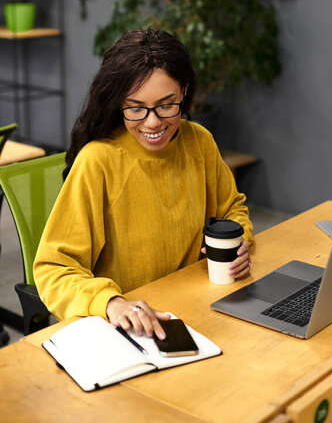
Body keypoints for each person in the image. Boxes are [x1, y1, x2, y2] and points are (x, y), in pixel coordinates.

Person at [34, 28, 253, 340]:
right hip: (126, 331)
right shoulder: (98, 161)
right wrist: (112, 304)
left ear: (184, 93)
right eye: (135, 108)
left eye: (167, 105)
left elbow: (232, 209)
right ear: (117, 102)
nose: (153, 123)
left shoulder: (199, 142)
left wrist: (240, 241)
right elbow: (54, 269)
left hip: (197, 309)